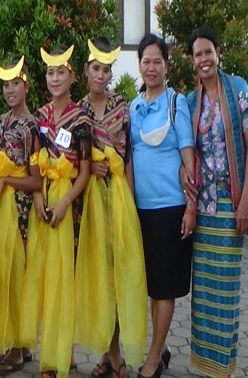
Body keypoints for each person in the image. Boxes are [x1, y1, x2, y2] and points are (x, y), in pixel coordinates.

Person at [186, 27, 248, 378]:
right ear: (192, 61)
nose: (204, 59)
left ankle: (223, 368)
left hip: (231, 204)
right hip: (204, 209)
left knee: (225, 288)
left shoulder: (237, 88)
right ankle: (206, 365)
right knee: (204, 290)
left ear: (218, 53)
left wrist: (245, 201)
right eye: (198, 54)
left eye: (208, 52)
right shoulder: (191, 101)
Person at [79, 37, 148, 378]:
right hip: (91, 201)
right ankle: (107, 353)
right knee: (99, 278)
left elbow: (129, 155)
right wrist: (89, 166)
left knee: (120, 276)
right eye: (96, 68)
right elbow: (71, 158)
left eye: (106, 70)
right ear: (86, 70)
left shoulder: (122, 106)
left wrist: (131, 202)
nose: (101, 75)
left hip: (119, 197)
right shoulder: (78, 111)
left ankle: (116, 352)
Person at [21, 44, 92, 378]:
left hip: (69, 207)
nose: (54, 78)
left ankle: (59, 356)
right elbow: (33, 161)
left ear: (72, 76)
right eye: (50, 72)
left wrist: (64, 204)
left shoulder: (81, 119)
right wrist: (37, 196)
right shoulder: (39, 117)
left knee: (65, 279)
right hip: (43, 203)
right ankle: (51, 349)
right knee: (45, 278)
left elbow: (85, 173)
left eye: (60, 72)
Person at [130, 34, 196, 378]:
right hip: (141, 209)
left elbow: (189, 157)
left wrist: (191, 207)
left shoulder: (176, 103)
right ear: (139, 65)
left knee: (164, 286)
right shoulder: (133, 106)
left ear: (166, 66)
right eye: (146, 61)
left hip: (170, 208)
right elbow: (129, 156)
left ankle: (153, 360)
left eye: (157, 61)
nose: (151, 67)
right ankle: (162, 345)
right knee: (150, 286)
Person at [0, 56, 42, 375]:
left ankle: (19, 349)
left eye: (16, 84)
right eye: (6, 84)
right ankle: (14, 342)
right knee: (6, 275)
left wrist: (6, 181)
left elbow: (36, 180)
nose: (10, 90)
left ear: (26, 87)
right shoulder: (2, 121)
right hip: (3, 212)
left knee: (18, 277)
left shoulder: (30, 128)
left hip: (21, 215)